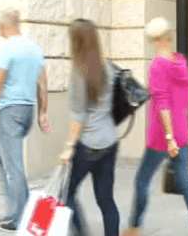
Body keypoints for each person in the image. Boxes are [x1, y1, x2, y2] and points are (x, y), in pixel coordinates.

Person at [122, 17, 188, 236]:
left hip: (162, 136)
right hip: (182, 132)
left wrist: (169, 137)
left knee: (141, 180)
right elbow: (185, 103)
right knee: (185, 183)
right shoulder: (180, 62)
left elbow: (162, 102)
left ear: (157, 39)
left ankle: (134, 227)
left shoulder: (158, 65)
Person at [0, 9, 52, 232]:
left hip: (10, 111)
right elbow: (43, 84)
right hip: (28, 109)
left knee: (13, 166)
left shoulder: (6, 48)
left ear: (4, 26)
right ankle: (18, 210)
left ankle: (22, 218)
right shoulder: (34, 48)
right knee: (1, 158)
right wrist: (43, 112)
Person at [59, 19, 119, 236]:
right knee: (106, 200)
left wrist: (67, 148)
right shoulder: (110, 69)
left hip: (88, 145)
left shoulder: (79, 73)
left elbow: (78, 117)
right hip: (110, 142)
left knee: (66, 192)